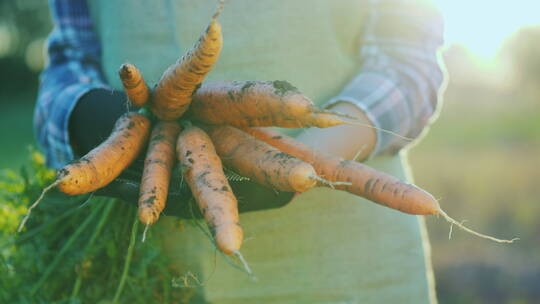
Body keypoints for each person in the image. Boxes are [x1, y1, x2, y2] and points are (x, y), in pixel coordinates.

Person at [35, 0, 445, 303]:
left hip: (350, 268)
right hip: (146, 271)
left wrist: (308, 157)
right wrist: (84, 117)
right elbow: (70, 59)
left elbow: (407, 59)